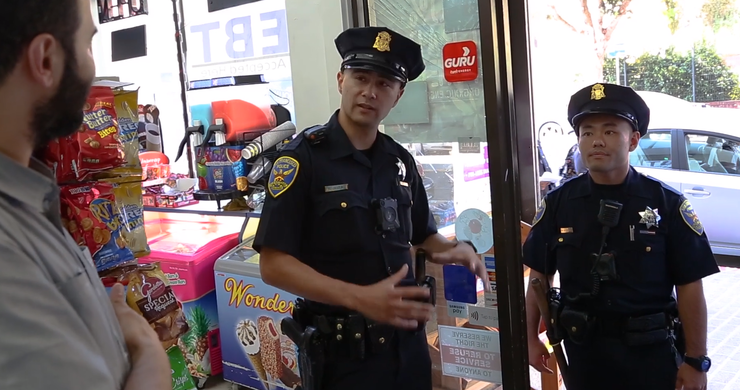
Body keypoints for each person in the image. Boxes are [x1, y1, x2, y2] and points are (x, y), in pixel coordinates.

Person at [253, 27, 488, 390]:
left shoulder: (400, 161)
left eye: (384, 83)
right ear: (340, 80)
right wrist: (359, 298)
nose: (370, 92)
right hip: (344, 357)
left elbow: (422, 235)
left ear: (398, 94)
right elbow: (273, 264)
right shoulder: (302, 160)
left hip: (408, 348)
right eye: (360, 78)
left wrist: (453, 250)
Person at [0, 1, 170, 389]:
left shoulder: (29, 195)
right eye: (88, 45)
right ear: (45, 60)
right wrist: (148, 353)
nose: (93, 70)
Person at [523, 83, 720, 390]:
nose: (596, 141)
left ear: (634, 140)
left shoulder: (666, 204)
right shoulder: (558, 203)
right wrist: (530, 338)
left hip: (650, 355)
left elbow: (690, 286)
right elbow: (539, 275)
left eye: (610, 131)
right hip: (584, 352)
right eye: (587, 132)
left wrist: (696, 361)